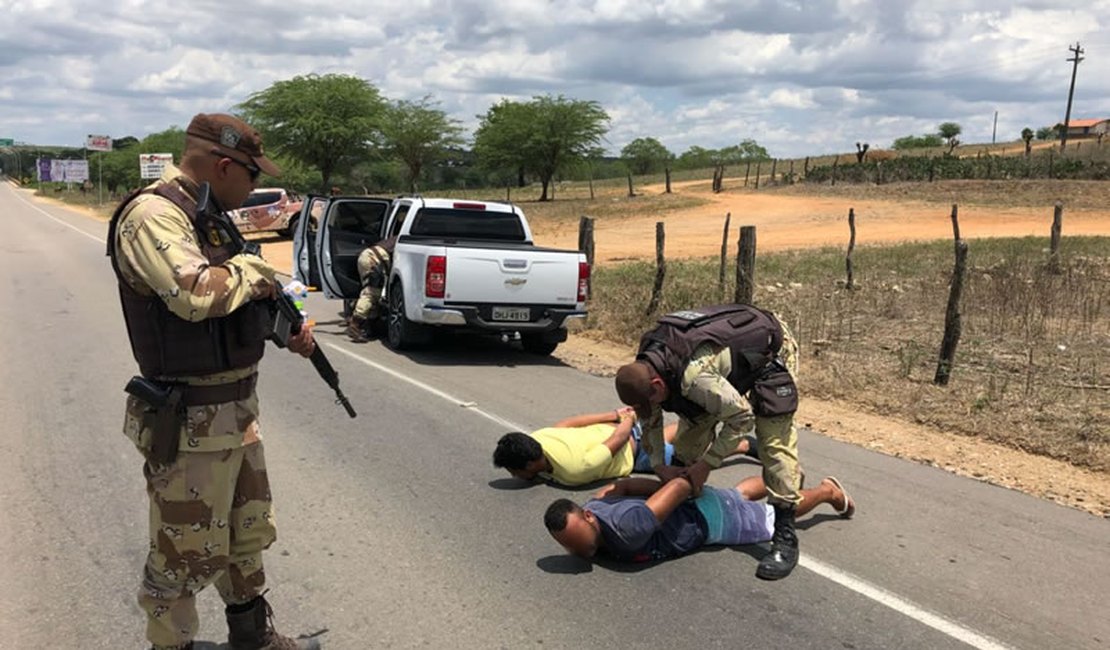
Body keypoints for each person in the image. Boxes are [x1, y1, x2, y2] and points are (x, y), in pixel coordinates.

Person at [108, 113, 320, 650]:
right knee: (180, 554)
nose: (254, 189)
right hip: (188, 423)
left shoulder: (209, 217)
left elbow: (236, 303)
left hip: (236, 414)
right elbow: (197, 293)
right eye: (252, 177)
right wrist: (260, 274)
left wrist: (284, 325)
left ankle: (252, 636)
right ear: (224, 167)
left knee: (247, 535)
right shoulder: (153, 216)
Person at [614, 304, 804, 580]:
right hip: (721, 372)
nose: (651, 407)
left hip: (768, 352)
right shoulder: (645, 366)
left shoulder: (694, 378)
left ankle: (785, 534)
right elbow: (650, 419)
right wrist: (659, 465)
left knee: (774, 444)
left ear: (657, 384)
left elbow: (742, 418)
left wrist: (707, 464)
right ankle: (680, 495)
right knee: (687, 440)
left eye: (651, 400)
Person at [544, 473, 854, 563]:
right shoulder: (595, 504)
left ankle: (826, 492)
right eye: (569, 545)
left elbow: (678, 486)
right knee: (738, 494)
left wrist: (684, 487)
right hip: (704, 506)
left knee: (776, 517)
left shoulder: (628, 528)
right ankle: (786, 476)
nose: (576, 550)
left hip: (712, 521)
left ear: (588, 518)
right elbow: (622, 485)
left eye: (577, 540)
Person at [493, 408, 759, 486]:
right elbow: (568, 422)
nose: (513, 475)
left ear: (530, 464)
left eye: (513, 471)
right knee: (674, 434)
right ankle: (697, 423)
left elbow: (615, 444)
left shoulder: (572, 471)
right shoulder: (539, 438)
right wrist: (614, 415)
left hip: (634, 450)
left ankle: (742, 445)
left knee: (691, 457)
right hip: (622, 429)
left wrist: (627, 419)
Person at [346, 235, 397, 342]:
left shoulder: (396, 238)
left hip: (368, 256)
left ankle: (369, 327)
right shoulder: (404, 239)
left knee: (374, 294)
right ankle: (355, 324)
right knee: (371, 293)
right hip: (373, 259)